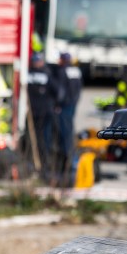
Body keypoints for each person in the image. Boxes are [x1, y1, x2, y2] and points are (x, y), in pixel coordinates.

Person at [26, 51, 60, 184]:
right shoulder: (30, 73)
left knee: (44, 141)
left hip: (44, 113)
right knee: (32, 140)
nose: (36, 63)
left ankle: (44, 166)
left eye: (38, 61)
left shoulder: (46, 74)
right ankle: (35, 165)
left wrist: (54, 105)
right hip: (32, 113)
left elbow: (57, 91)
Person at [53, 52, 83, 186]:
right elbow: (78, 90)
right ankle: (70, 161)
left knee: (63, 135)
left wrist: (58, 105)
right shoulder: (76, 71)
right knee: (69, 132)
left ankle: (66, 164)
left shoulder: (62, 71)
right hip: (72, 105)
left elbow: (61, 91)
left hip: (64, 106)